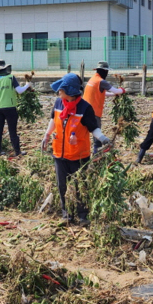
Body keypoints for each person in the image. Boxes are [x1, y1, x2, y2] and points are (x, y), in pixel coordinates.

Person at [41, 73, 110, 226]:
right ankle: (67, 213)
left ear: (70, 91)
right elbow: (53, 120)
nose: (59, 92)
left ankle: (83, 215)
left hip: (79, 155)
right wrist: (46, 135)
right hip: (59, 153)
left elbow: (93, 128)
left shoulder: (85, 108)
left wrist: (104, 139)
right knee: (62, 185)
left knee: (80, 185)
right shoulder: (59, 103)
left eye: (62, 89)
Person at [82, 61, 126, 154]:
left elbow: (102, 93)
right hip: (94, 112)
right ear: (104, 71)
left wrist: (114, 95)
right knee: (97, 135)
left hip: (85, 111)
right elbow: (115, 90)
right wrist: (121, 91)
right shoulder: (101, 81)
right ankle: (96, 155)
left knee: (86, 133)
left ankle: (89, 154)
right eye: (106, 72)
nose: (107, 74)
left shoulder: (93, 79)